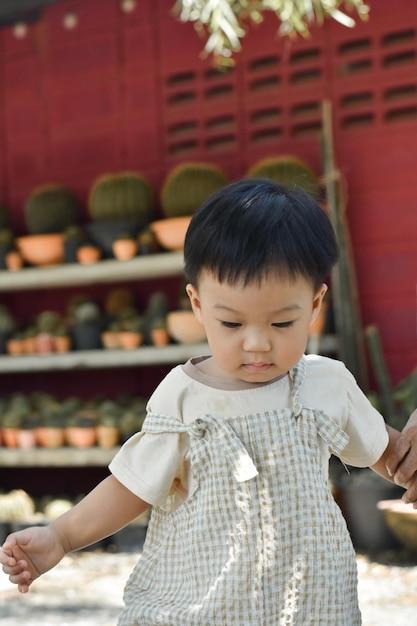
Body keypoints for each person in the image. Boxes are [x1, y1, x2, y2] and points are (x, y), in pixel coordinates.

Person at [1, 178, 417, 625]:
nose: (257, 344)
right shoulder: (184, 398)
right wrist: (61, 536)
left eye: (281, 323)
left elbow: (389, 453)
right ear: (198, 305)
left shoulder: (325, 385)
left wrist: (409, 456)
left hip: (309, 607)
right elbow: (131, 486)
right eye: (232, 324)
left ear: (315, 305)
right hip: (205, 608)